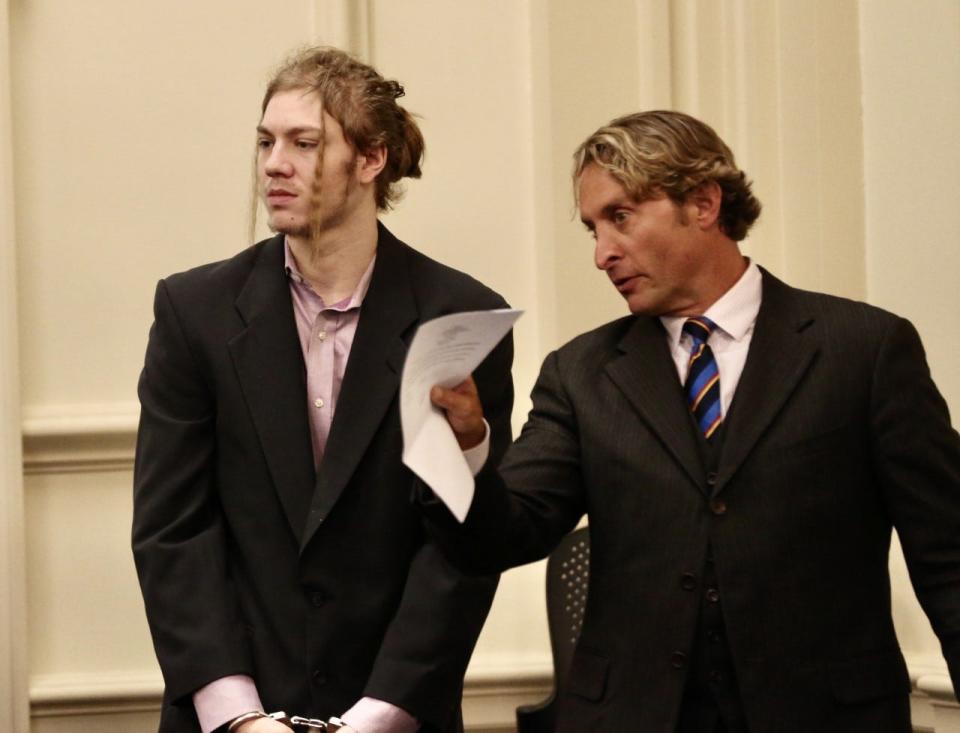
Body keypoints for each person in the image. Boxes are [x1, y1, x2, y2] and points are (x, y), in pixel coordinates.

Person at [425, 110, 960, 732]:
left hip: (824, 714)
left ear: (704, 203)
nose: (602, 254)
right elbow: (503, 536)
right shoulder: (581, 372)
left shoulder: (864, 350)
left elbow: (947, 550)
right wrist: (465, 447)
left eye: (620, 218)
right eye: (592, 229)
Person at [132, 47, 513, 733]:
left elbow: (456, 550)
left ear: (370, 160)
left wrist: (379, 716)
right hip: (232, 714)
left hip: (395, 712)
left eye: (304, 143)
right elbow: (173, 531)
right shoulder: (195, 312)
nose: (274, 163)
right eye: (266, 141)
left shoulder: (458, 317)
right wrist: (240, 715)